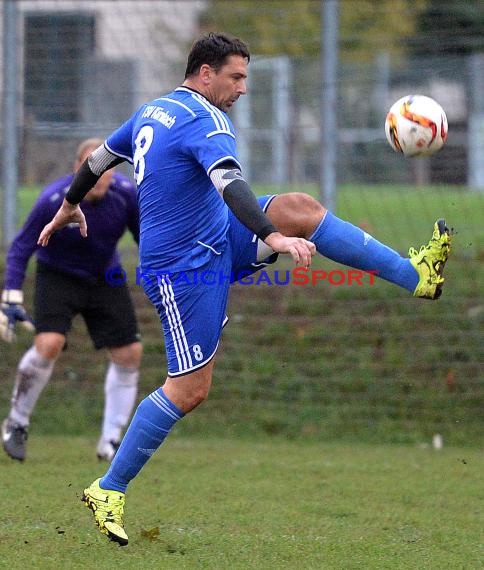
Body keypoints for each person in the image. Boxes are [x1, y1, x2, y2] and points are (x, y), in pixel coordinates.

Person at [37, 33, 451, 546]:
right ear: (205, 73)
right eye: (236, 77)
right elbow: (229, 184)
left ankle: (417, 276)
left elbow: (98, 160)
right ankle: (109, 487)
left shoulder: (154, 110)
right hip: (184, 271)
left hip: (216, 239)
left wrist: (70, 203)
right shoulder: (206, 121)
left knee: (300, 207)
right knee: (189, 390)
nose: (243, 89)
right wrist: (271, 236)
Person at [1, 138, 142, 463]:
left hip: (105, 276)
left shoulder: (125, 195)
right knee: (48, 344)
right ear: (78, 168)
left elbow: (143, 237)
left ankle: (111, 441)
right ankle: (16, 423)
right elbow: (22, 247)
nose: (100, 175)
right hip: (58, 275)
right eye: (92, 167)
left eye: (107, 168)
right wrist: (11, 296)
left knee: (129, 353)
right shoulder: (54, 199)